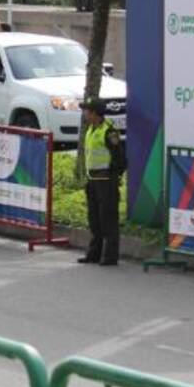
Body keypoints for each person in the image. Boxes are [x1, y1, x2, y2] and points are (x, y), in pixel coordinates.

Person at [79, 98, 126, 266]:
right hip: (92, 180)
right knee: (94, 219)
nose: (84, 114)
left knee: (108, 219)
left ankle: (110, 256)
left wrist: (113, 176)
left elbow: (120, 158)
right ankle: (94, 253)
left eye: (87, 111)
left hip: (106, 181)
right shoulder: (90, 130)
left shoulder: (109, 132)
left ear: (95, 113)